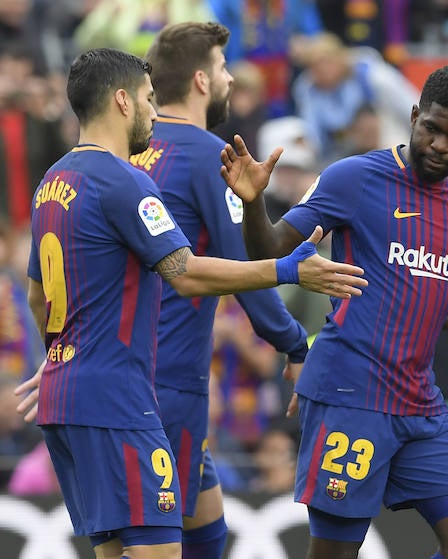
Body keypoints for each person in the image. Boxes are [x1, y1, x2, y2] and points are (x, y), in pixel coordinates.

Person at [15, 47, 366, 559]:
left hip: (64, 401)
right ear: (121, 100)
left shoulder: (51, 182)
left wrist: (60, 356)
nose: (155, 113)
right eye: (149, 100)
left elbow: (36, 295)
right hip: (120, 400)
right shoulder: (125, 180)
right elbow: (185, 272)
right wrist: (286, 269)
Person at [219, 65, 448, 559]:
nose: (439, 144)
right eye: (431, 128)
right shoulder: (354, 177)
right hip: (352, 394)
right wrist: (254, 203)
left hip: (422, 401)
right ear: (413, 116)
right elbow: (274, 250)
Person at [136, 22, 313, 559]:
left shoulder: (126, 153)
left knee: (204, 521)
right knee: (156, 541)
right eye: (222, 67)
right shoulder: (209, 156)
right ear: (199, 80)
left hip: (127, 367)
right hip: (170, 379)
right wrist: (294, 343)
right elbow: (245, 270)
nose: (231, 78)